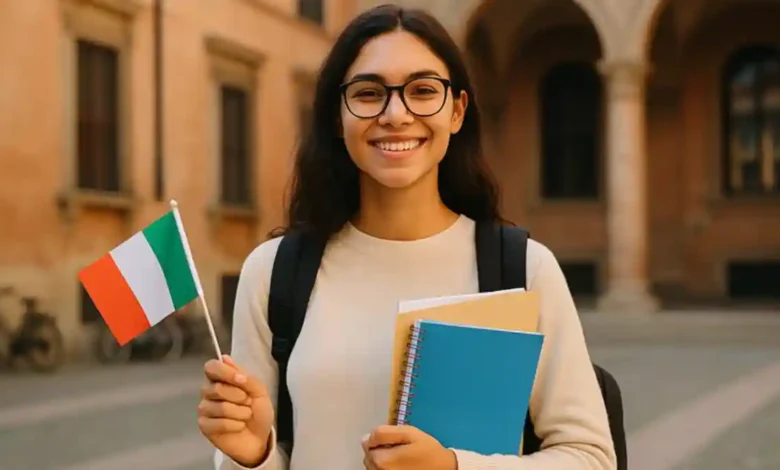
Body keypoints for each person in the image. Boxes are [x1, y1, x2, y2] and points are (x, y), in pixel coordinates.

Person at [197, 3, 616, 470]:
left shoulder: (523, 269)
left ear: (457, 111)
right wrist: (252, 454)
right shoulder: (273, 272)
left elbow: (589, 458)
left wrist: (453, 466)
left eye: (422, 90)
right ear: (338, 116)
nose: (396, 114)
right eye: (369, 93)